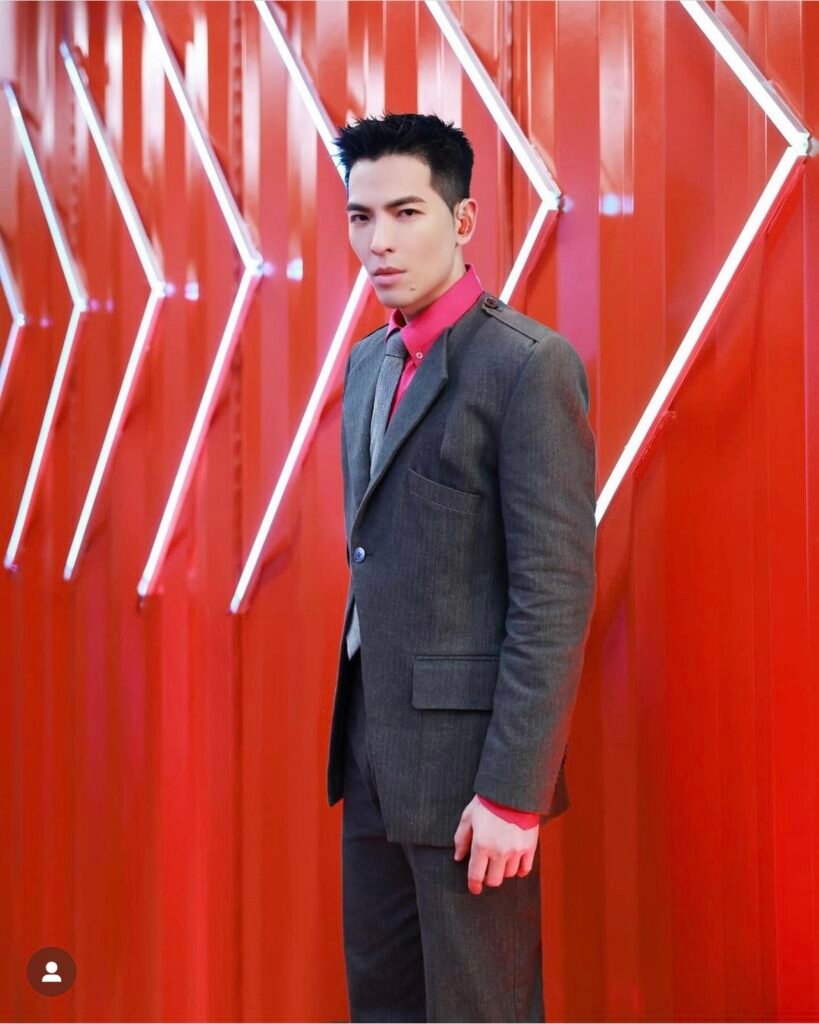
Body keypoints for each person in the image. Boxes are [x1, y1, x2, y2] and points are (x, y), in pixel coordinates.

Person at [325, 111, 597, 1023]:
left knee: (483, 1010)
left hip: (470, 772)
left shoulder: (527, 367)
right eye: (361, 217)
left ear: (462, 219)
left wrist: (513, 797)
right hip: (368, 752)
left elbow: (552, 594)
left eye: (406, 212)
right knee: (383, 1005)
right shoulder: (366, 364)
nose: (379, 240)